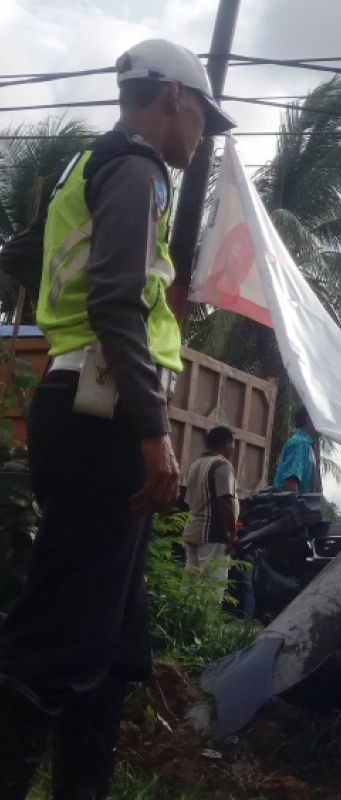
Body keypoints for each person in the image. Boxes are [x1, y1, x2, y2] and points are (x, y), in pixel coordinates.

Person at [0, 39, 236, 799]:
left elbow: (24, 255)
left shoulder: (87, 165)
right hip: (104, 420)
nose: (202, 134)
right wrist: (154, 431)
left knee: (114, 641)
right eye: (202, 114)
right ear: (171, 96)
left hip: (82, 410)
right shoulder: (137, 169)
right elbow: (113, 301)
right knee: (60, 638)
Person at [181, 426, 239, 581]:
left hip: (192, 531)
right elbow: (225, 501)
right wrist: (232, 535)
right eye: (233, 444)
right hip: (212, 535)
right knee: (211, 590)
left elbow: (189, 500)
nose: (233, 448)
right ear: (227, 443)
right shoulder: (222, 465)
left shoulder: (195, 465)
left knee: (190, 587)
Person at [274, 405, 323, 494]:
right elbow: (290, 483)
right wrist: (296, 507)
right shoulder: (299, 443)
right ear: (308, 419)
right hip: (293, 507)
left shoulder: (306, 444)